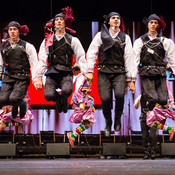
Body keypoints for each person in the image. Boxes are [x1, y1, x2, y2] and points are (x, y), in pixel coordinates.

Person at [86, 12, 136, 136]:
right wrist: (90, 71)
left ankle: (117, 117)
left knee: (119, 95)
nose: (116, 20)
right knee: (105, 98)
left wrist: (131, 80)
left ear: (120, 22)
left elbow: (129, 58)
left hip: (119, 72)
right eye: (113, 18)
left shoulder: (125, 38)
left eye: (118, 18)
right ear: (108, 21)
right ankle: (108, 122)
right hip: (103, 72)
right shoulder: (100, 35)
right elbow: (92, 53)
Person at [35, 6, 87, 113]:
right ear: (53, 24)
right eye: (56, 20)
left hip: (66, 71)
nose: (58, 22)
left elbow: (81, 57)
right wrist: (39, 77)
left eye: (61, 20)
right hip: (52, 72)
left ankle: (64, 97)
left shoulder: (72, 40)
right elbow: (42, 59)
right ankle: (58, 98)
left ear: (65, 23)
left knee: (67, 91)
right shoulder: (47, 41)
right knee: (48, 96)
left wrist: (84, 73)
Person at [133, 14, 175, 113]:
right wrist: (132, 78)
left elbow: (172, 59)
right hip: (147, 73)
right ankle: (144, 100)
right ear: (147, 25)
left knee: (163, 100)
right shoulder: (140, 41)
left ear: (158, 25)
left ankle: (147, 103)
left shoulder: (165, 41)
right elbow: (135, 60)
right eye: (151, 22)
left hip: (160, 73)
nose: (153, 25)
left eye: (155, 23)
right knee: (153, 98)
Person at [0, 21, 38, 119]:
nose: (12, 32)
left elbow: (34, 64)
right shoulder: (3, 47)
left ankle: (21, 102)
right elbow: (0, 62)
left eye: (15, 29)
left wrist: (35, 79)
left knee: (14, 98)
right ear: (8, 32)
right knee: (2, 99)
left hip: (22, 77)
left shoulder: (27, 46)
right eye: (10, 29)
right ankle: (18, 103)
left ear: (19, 31)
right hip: (8, 76)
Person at [67, 66, 96, 147]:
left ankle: (73, 134)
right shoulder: (82, 77)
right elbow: (77, 90)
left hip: (85, 102)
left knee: (88, 122)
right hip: (81, 102)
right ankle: (73, 134)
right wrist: (80, 102)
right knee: (89, 121)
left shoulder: (86, 78)